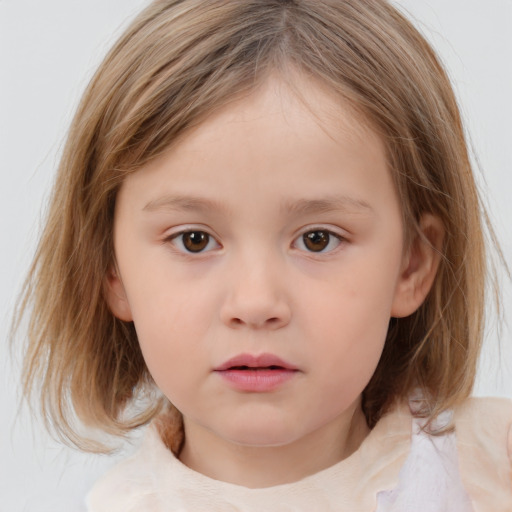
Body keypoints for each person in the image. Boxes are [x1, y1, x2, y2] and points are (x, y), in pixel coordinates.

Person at [15, 0, 511, 510]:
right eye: (194, 240)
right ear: (111, 270)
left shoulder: (497, 468)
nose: (255, 303)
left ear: (412, 265)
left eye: (317, 239)